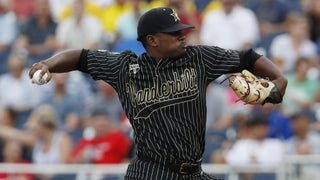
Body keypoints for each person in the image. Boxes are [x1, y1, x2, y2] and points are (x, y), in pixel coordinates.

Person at [28, 7, 287, 180]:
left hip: (192, 171)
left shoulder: (199, 58)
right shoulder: (126, 67)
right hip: (149, 171)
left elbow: (247, 57)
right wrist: (48, 64)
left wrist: (278, 79)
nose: (182, 35)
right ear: (152, 40)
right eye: (174, 33)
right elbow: (80, 57)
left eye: (181, 30)